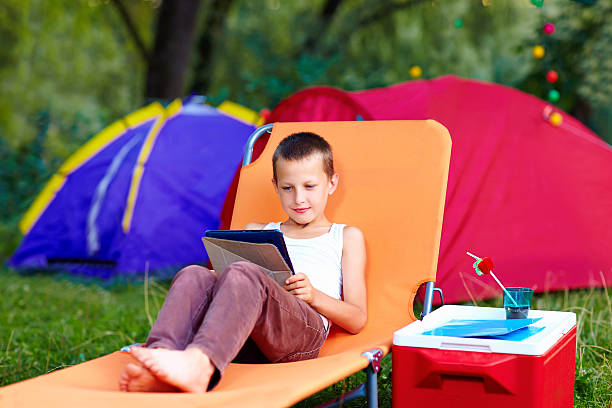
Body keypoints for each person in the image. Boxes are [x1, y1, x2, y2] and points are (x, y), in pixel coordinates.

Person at [118, 132, 367, 393]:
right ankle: (160, 357)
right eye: (287, 188)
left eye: (310, 186)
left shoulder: (344, 236)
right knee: (194, 273)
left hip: (302, 335)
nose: (299, 199)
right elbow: (232, 281)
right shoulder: (257, 230)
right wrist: (220, 280)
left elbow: (357, 319)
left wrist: (314, 296)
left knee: (243, 272)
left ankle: (200, 365)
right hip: (242, 335)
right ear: (275, 186)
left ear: (331, 183)